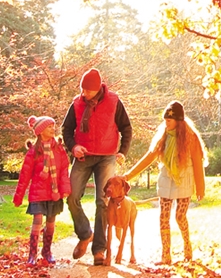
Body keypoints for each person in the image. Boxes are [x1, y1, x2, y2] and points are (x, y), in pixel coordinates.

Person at [62, 68, 133, 266]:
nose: (84, 94)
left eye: (88, 91)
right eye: (82, 90)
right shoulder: (77, 103)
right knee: (72, 195)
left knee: (103, 202)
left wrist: (122, 151)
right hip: (83, 157)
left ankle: (99, 250)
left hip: (107, 157)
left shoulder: (114, 102)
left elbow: (126, 127)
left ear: (97, 89)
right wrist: (73, 146)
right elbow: (66, 129)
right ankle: (85, 234)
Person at [122, 101, 206, 264]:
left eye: (169, 120)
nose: (166, 123)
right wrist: (128, 175)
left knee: (180, 216)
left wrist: (200, 188)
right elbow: (149, 157)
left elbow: (197, 162)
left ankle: (187, 248)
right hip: (166, 179)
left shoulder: (190, 137)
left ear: (178, 121)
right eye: (165, 120)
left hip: (184, 180)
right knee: (163, 217)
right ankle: (166, 255)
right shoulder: (163, 136)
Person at [13, 116, 72, 266]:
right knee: (37, 221)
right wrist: (18, 196)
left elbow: (64, 170)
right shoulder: (34, 152)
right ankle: (32, 254)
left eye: (53, 126)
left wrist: (65, 188)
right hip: (38, 192)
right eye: (49, 127)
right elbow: (24, 176)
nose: (53, 129)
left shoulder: (59, 149)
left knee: (51, 222)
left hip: (54, 192)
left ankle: (47, 251)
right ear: (40, 131)